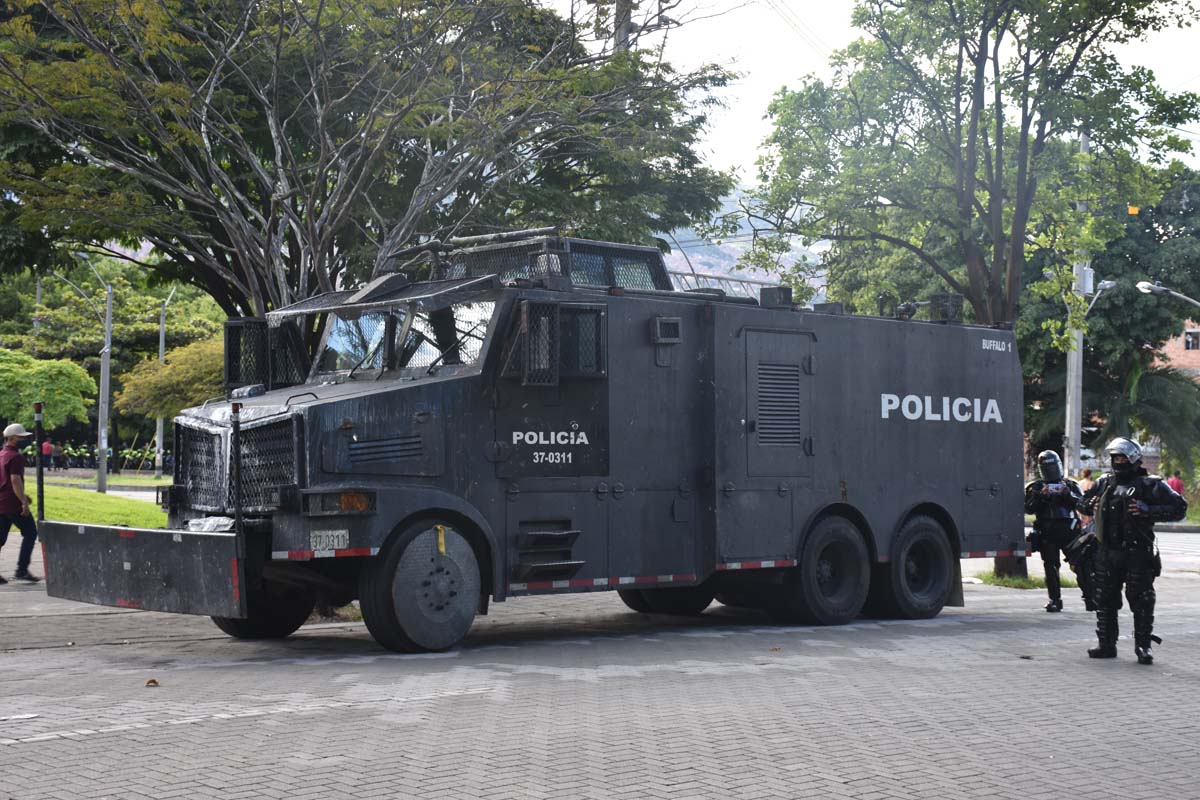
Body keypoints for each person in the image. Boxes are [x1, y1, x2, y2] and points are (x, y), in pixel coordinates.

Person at [1081, 438, 1186, 664]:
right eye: (1115, 458)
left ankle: (1143, 647)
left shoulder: (1151, 484)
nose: (1118, 462)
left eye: (1122, 457)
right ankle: (1106, 644)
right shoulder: (1104, 482)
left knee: (1142, 599)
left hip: (1138, 553)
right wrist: (1091, 505)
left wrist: (1148, 510)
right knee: (1105, 599)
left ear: (1133, 459)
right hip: (1107, 551)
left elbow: (1179, 507)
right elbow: (1081, 502)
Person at [1024, 451, 1085, 612]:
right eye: (1046, 467)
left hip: (1069, 531)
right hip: (1047, 532)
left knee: (1080, 563)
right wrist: (1040, 496)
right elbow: (1028, 509)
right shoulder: (1035, 487)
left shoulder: (1070, 484)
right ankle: (1055, 599)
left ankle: (1090, 596)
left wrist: (1067, 494)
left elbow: (1082, 504)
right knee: (1051, 567)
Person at [0, 423, 42, 584]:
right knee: (30, 532)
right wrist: (23, 502)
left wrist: (24, 496)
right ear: (11, 438)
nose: (24, 439)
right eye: (21, 437)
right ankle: (21, 570)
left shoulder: (2, 454)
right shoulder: (16, 457)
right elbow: (14, 480)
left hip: (2, 502)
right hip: (12, 503)